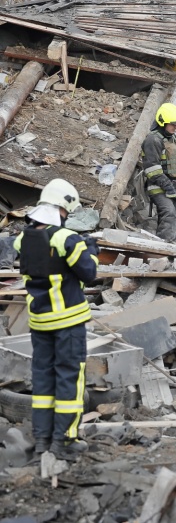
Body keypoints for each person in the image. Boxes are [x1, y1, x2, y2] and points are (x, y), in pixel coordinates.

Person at [13, 179, 99, 461]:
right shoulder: (66, 239)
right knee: (69, 380)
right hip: (68, 322)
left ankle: (42, 442)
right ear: (63, 207)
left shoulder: (21, 238)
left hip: (39, 322)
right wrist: (92, 251)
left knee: (43, 381)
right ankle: (64, 441)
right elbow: (89, 273)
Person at [141, 102, 176, 242]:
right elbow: (152, 169)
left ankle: (171, 244)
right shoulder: (152, 140)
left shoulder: (175, 139)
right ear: (162, 122)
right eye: (172, 124)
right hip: (157, 186)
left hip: (173, 186)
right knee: (169, 212)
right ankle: (162, 246)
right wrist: (167, 186)